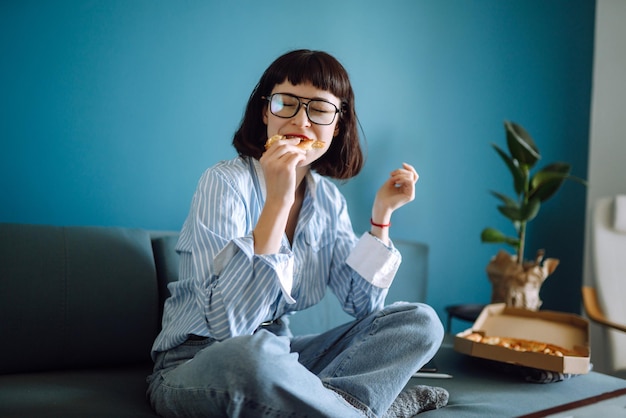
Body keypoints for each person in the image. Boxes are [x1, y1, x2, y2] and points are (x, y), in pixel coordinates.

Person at [147, 49, 448, 418]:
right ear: (265, 112)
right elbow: (230, 327)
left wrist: (381, 216)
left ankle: (338, 406)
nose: (300, 121)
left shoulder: (327, 200)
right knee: (254, 356)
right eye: (286, 103)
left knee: (421, 322)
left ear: (337, 125)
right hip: (200, 363)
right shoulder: (224, 183)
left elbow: (363, 305)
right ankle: (369, 410)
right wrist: (277, 201)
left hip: (284, 360)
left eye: (319, 109)